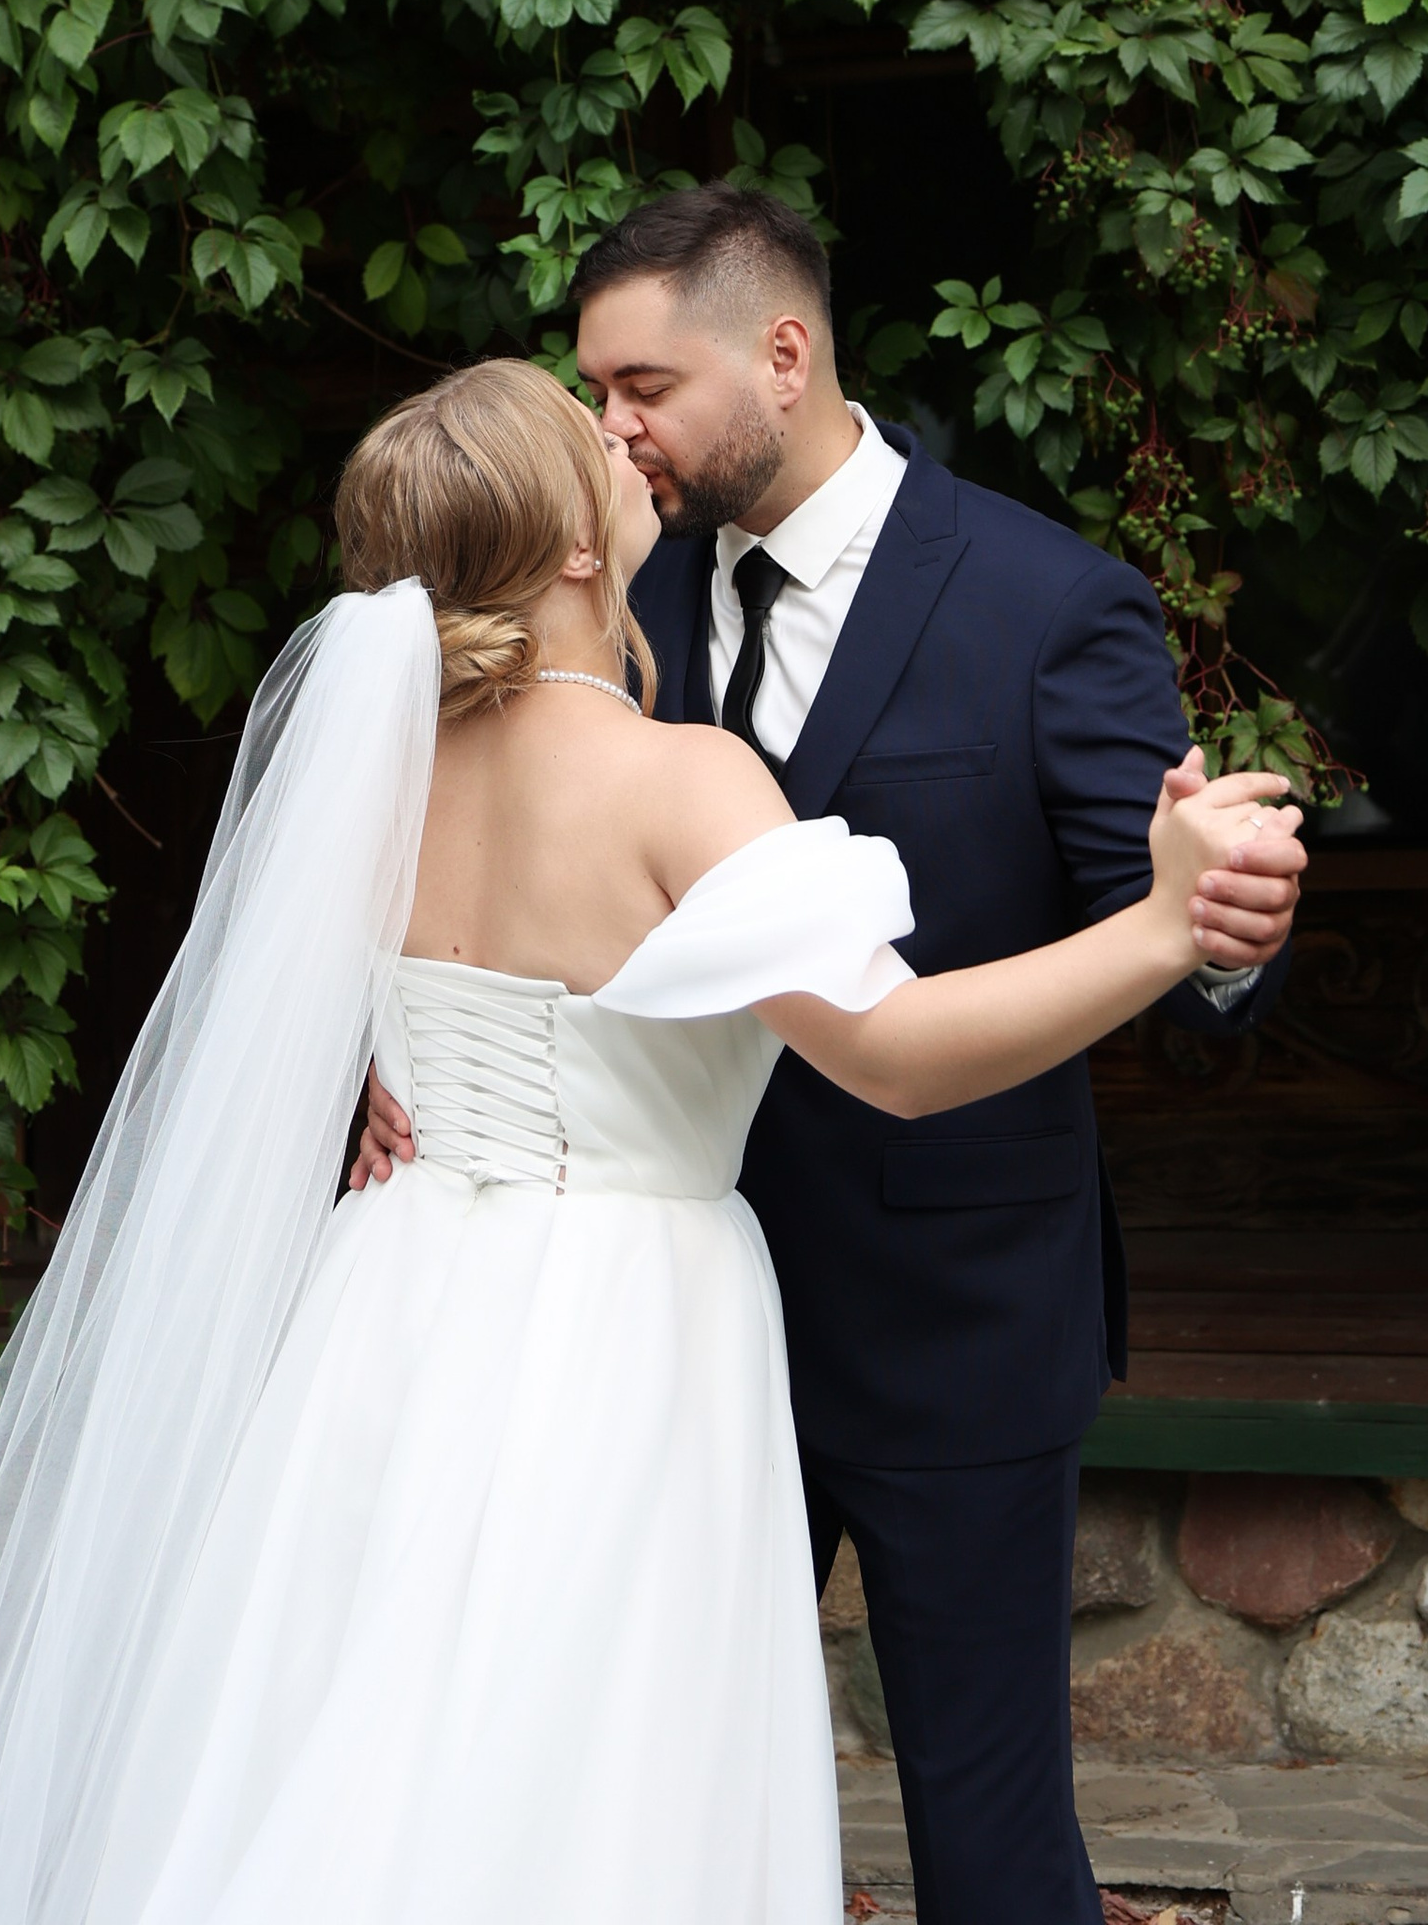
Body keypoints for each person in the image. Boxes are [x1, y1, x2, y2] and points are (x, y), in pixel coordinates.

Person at [0, 356, 1297, 1925]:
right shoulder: (681, 777)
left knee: (371, 1736)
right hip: (626, 1319)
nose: (627, 444)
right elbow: (893, 1056)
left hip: (391, 1299)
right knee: (588, 1756)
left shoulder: (378, 779)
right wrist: (1164, 925)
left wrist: (381, 1072)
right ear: (569, 545)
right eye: (591, 439)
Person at [356, 186, 1307, 1925]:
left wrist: (1219, 927)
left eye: (644, 387)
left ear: (782, 355)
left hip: (950, 1311)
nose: (616, 432)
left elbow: (1163, 912)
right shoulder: (605, 600)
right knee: (613, 1792)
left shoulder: (1047, 599)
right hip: (634, 1337)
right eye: (595, 399)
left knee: (987, 1828)